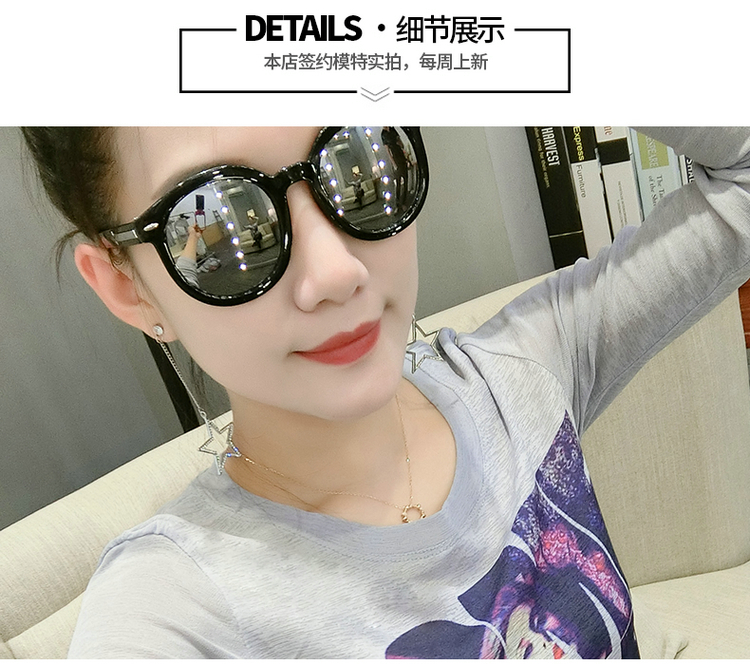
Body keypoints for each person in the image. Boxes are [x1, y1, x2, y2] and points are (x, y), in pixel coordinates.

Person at [21, 126, 750, 659]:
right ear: (125, 284)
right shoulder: (179, 605)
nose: (336, 273)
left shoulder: (521, 376)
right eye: (223, 222)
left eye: (356, 158)